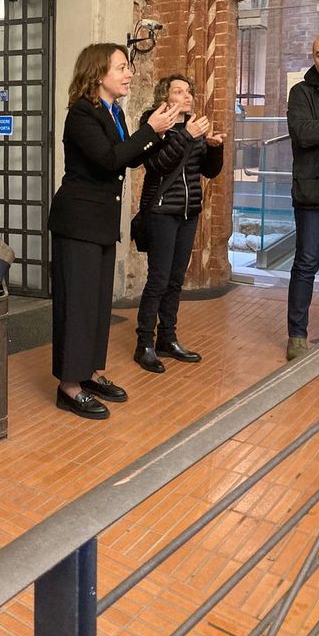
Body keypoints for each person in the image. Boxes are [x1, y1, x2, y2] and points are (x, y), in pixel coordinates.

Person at [47, 43, 181, 419]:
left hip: (102, 223)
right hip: (78, 222)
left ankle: (89, 373)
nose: (129, 74)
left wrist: (160, 133)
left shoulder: (115, 111)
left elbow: (130, 157)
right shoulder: (81, 114)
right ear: (98, 73)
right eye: (122, 67)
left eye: (128, 67)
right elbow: (108, 161)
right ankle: (69, 386)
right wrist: (149, 130)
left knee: (97, 304)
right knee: (78, 304)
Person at [134, 75, 225, 373]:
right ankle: (144, 344)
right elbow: (157, 165)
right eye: (178, 91)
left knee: (176, 280)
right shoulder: (154, 123)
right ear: (166, 96)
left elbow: (209, 171)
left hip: (189, 212)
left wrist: (213, 147)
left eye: (189, 91)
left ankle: (167, 338)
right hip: (161, 212)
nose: (187, 96)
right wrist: (186, 135)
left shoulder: (196, 127)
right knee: (158, 280)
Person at [286, 31, 319, 360]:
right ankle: (297, 336)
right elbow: (303, 134)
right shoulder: (301, 91)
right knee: (305, 264)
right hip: (313, 190)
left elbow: (316, 130)